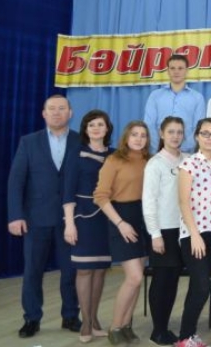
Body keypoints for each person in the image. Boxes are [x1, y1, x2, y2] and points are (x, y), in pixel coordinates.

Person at [8, 95, 81, 338]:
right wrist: (15, 215)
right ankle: (31, 318)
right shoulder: (29, 142)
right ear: (44, 113)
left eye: (62, 108)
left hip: (70, 221)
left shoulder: (80, 141)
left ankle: (70, 315)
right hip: (36, 219)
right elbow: (16, 181)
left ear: (70, 113)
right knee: (32, 272)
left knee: (70, 272)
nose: (57, 112)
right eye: (52, 109)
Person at [93, 120, 151, 344]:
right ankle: (115, 327)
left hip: (143, 217)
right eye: (134, 134)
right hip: (121, 217)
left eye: (143, 135)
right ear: (126, 137)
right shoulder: (114, 160)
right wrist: (120, 223)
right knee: (134, 277)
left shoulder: (149, 160)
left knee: (138, 279)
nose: (138, 139)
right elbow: (100, 196)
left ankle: (126, 325)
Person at [62, 110, 114, 343]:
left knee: (100, 270)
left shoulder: (114, 155)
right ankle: (85, 323)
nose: (95, 128)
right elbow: (68, 191)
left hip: (107, 218)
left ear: (107, 128)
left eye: (100, 124)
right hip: (82, 218)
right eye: (91, 125)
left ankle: (94, 320)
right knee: (84, 270)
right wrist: (69, 224)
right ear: (85, 129)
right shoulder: (76, 153)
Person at [176, 118, 211, 347]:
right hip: (194, 235)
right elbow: (183, 202)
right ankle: (184, 337)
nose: (210, 138)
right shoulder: (188, 164)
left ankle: (188, 335)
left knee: (198, 286)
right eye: (205, 133)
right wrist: (194, 234)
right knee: (201, 286)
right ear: (197, 136)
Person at [142, 116, 188, 345]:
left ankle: (165, 326)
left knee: (172, 281)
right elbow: (149, 202)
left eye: (179, 132)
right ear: (161, 134)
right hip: (163, 231)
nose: (175, 136)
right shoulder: (155, 164)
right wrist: (155, 234)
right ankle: (158, 329)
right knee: (161, 280)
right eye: (171, 131)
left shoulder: (187, 160)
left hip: (183, 230)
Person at [144, 53, 205, 153]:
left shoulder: (197, 98)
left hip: (188, 153)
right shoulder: (155, 96)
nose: (176, 71)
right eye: (172, 68)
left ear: (186, 71)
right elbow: (149, 125)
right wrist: (160, 148)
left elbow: (199, 128)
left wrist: (183, 149)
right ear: (168, 71)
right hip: (159, 152)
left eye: (180, 68)